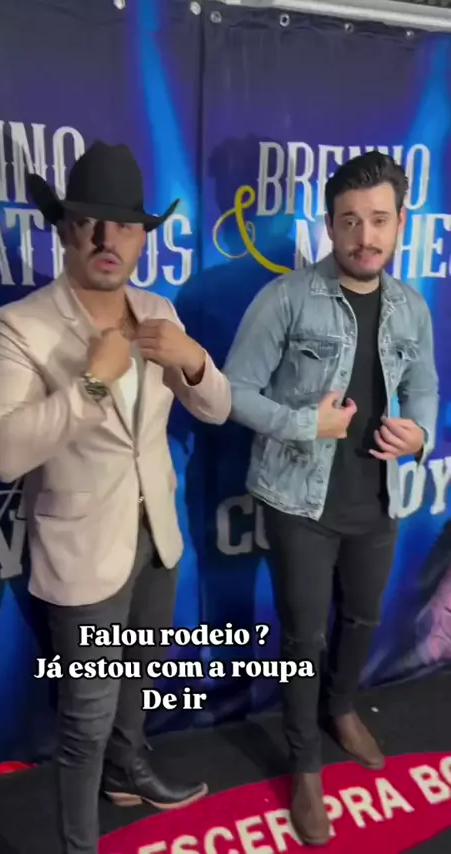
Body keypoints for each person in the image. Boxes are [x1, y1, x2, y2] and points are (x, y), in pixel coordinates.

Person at [0, 140, 231, 854]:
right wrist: (91, 383)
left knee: (138, 680)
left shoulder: (158, 309)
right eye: (88, 222)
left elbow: (215, 409)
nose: (105, 239)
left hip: (158, 536)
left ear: (143, 237)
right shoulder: (19, 325)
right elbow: (1, 453)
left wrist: (195, 361)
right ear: (64, 230)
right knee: (83, 723)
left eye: (122, 225)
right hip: (82, 551)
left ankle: (129, 771)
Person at [223, 151, 438, 846]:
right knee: (303, 639)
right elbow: (232, 392)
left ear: (400, 223)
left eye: (378, 220)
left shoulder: (412, 307)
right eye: (349, 221)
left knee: (364, 618)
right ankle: (306, 766)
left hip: (378, 499)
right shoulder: (287, 298)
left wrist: (421, 433)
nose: (363, 237)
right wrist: (301, 424)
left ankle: (342, 707)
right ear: (329, 224)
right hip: (299, 503)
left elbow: (426, 387)